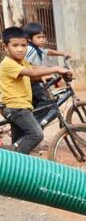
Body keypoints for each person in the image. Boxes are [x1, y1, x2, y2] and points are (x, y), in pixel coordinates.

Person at [0, 26, 70, 154]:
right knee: (36, 134)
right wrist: (56, 68)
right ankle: (14, 163)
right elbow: (32, 73)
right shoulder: (8, 63)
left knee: (19, 141)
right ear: (5, 47)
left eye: (23, 45)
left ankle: (13, 168)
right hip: (16, 107)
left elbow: (35, 71)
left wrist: (55, 75)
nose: (20, 49)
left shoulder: (22, 62)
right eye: (15, 45)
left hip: (22, 106)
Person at [23, 21, 70, 107]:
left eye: (43, 37)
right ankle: (37, 119)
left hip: (36, 81)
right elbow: (25, 65)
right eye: (38, 37)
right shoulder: (31, 49)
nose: (42, 39)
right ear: (29, 39)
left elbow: (48, 51)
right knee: (46, 102)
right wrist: (43, 71)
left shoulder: (38, 49)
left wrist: (62, 53)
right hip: (30, 83)